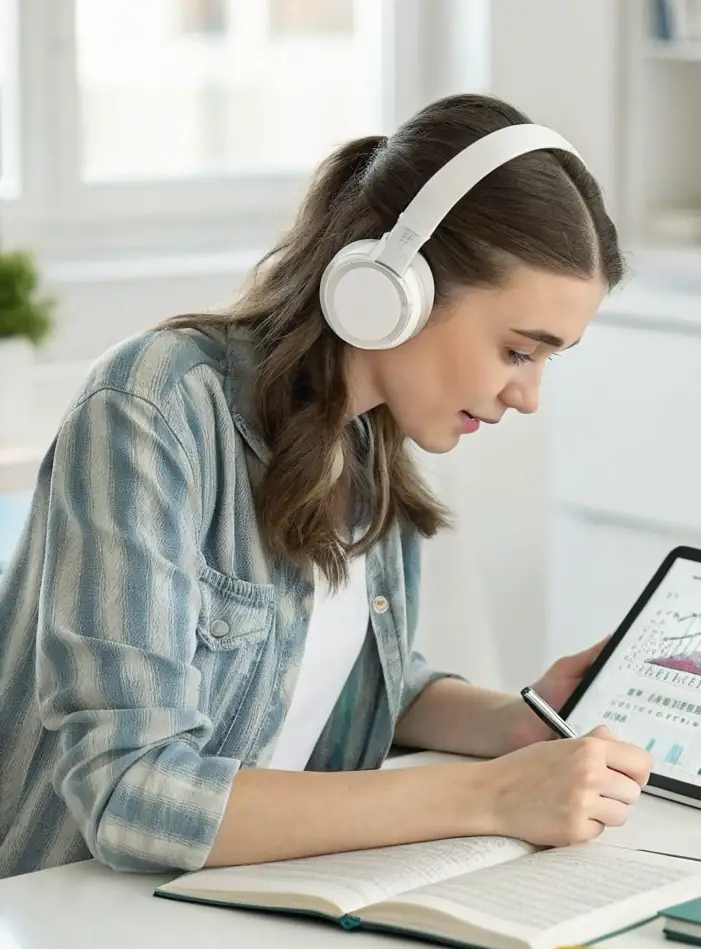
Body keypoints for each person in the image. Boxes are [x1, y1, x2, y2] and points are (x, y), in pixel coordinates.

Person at [0, 94, 654, 880]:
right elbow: (131, 792)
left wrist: (518, 724)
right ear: (394, 288)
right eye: (518, 351)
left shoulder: (371, 438)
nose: (528, 396)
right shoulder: (155, 407)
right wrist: (493, 795)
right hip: (65, 919)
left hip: (232, 907)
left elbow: (347, 685)